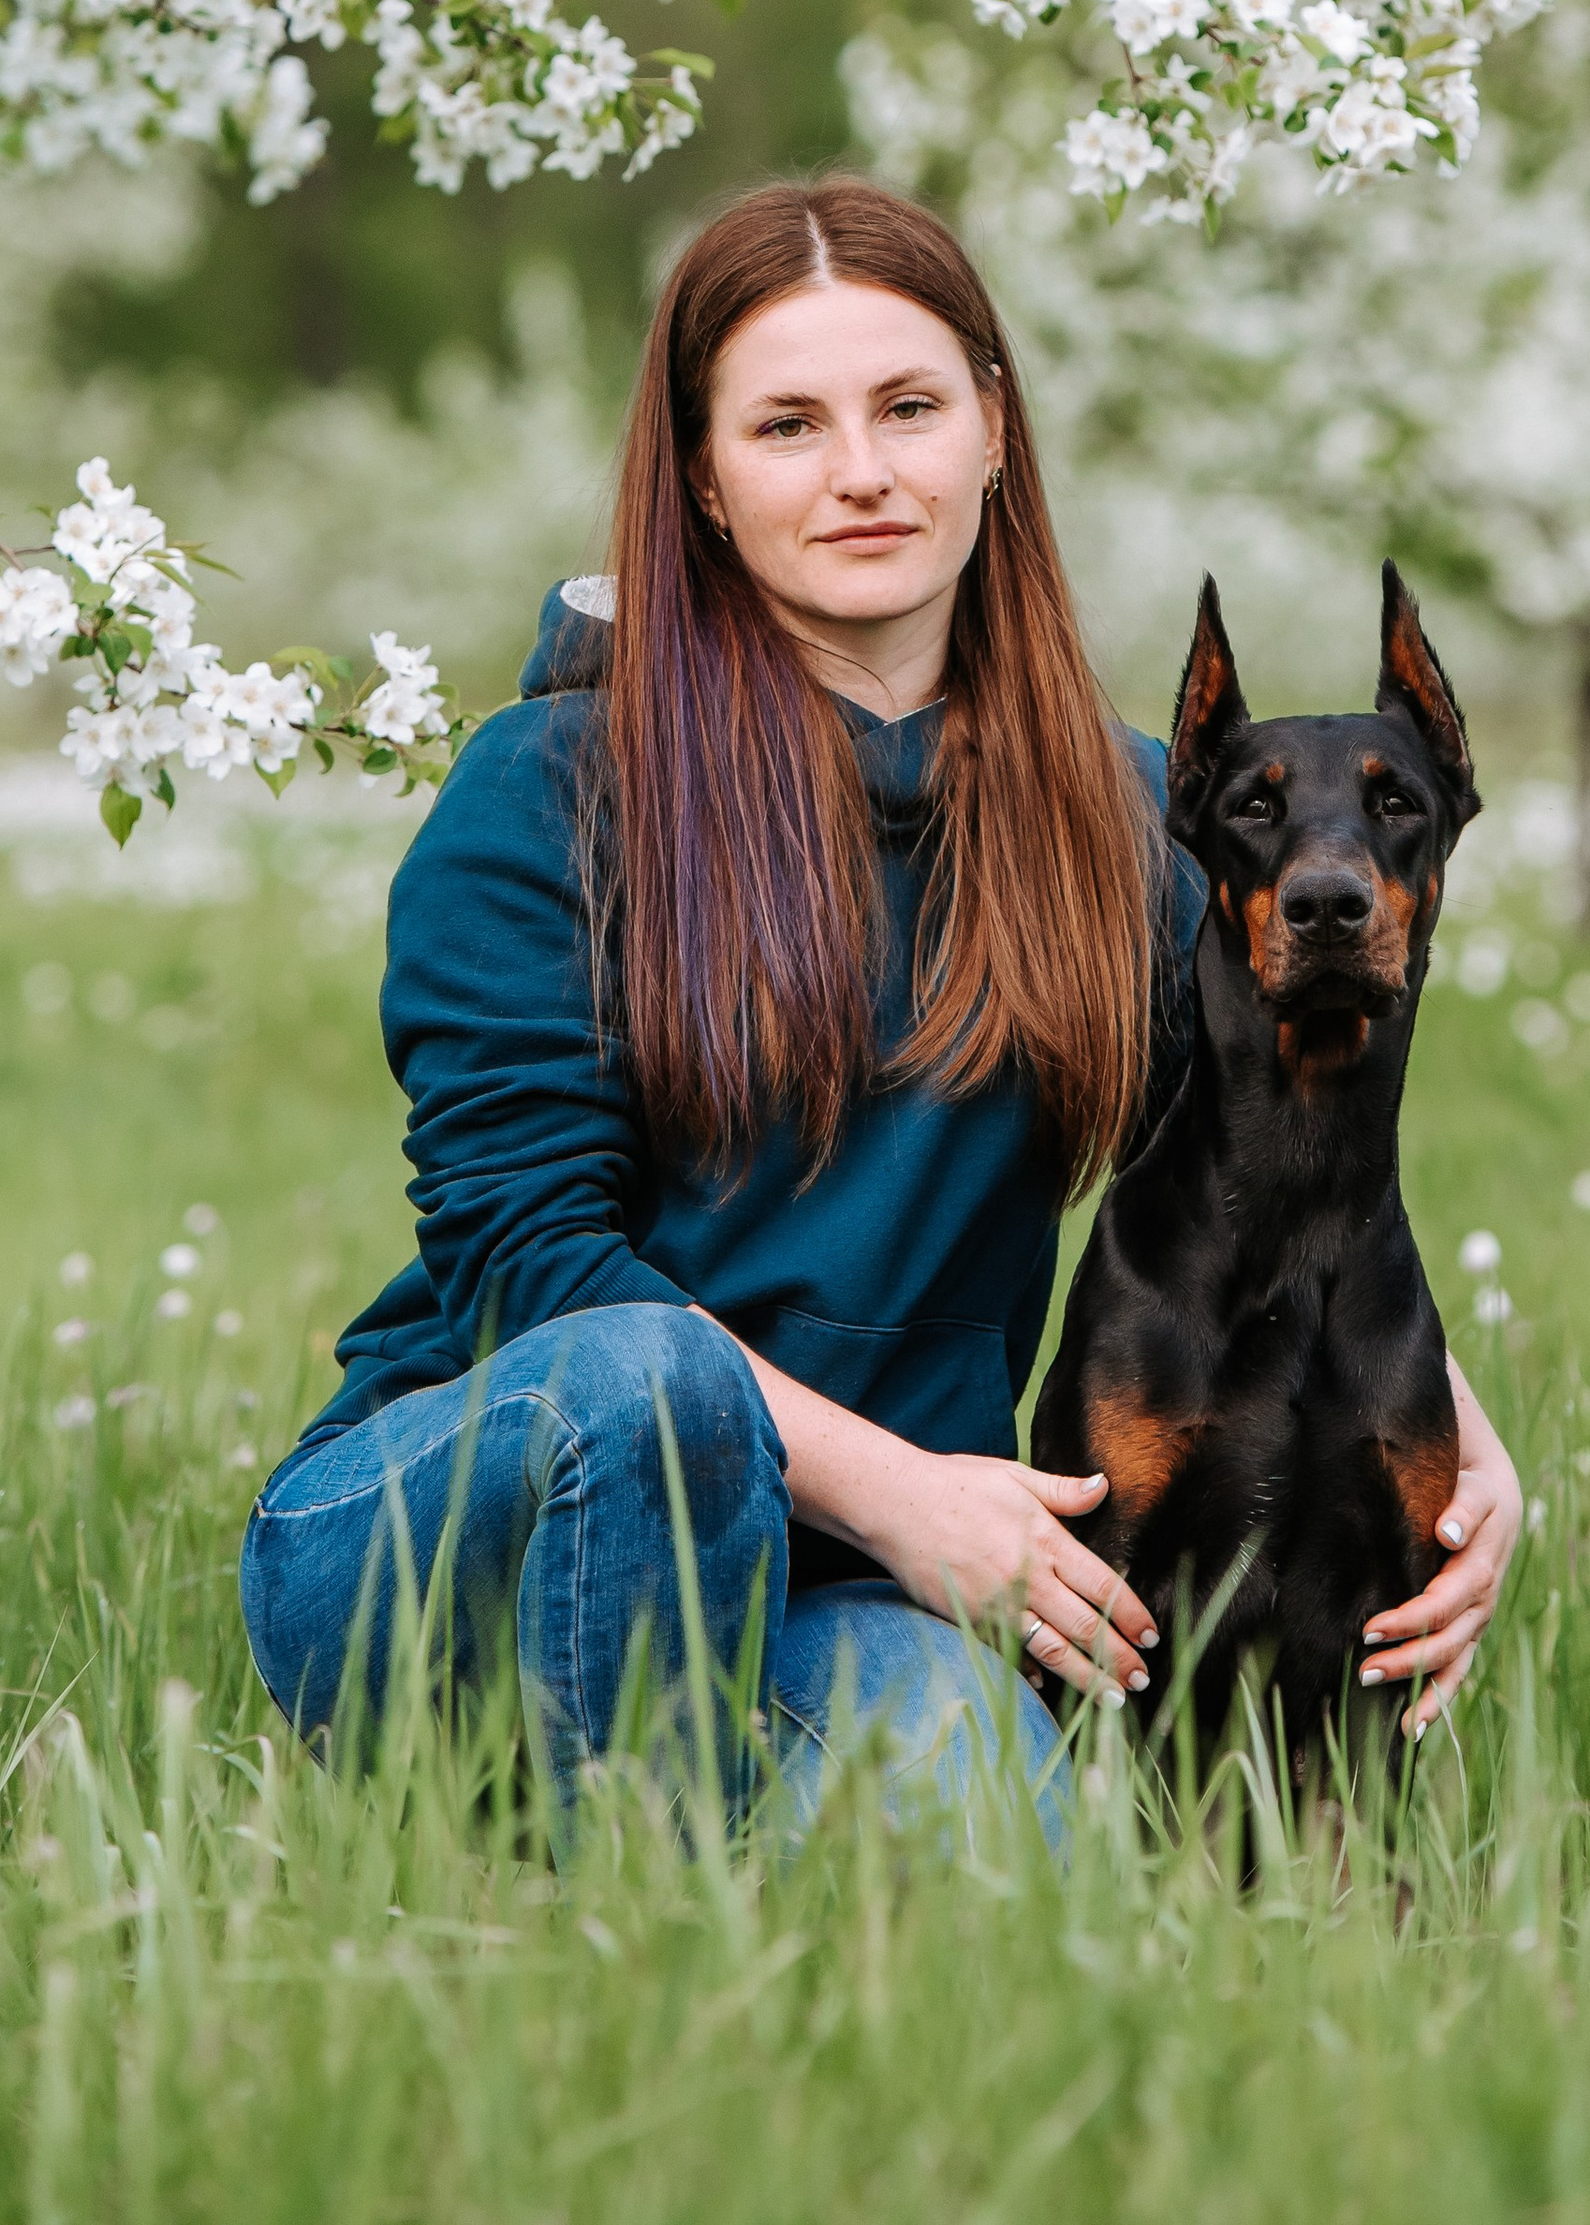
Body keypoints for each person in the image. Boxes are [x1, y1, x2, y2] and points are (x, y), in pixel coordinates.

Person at [238, 178, 1522, 1842]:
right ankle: (590, 1899)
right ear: (700, 478)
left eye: (910, 407)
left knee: (1020, 1869)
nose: (862, 471)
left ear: (993, 429)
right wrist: (905, 1494)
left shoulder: (1127, 822)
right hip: (453, 1529)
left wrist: (1463, 1451)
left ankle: (686, 1878)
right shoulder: (544, 793)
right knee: (649, 1383)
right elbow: (529, 1265)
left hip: (849, 1585)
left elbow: (1256, 1160)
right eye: (786, 424)